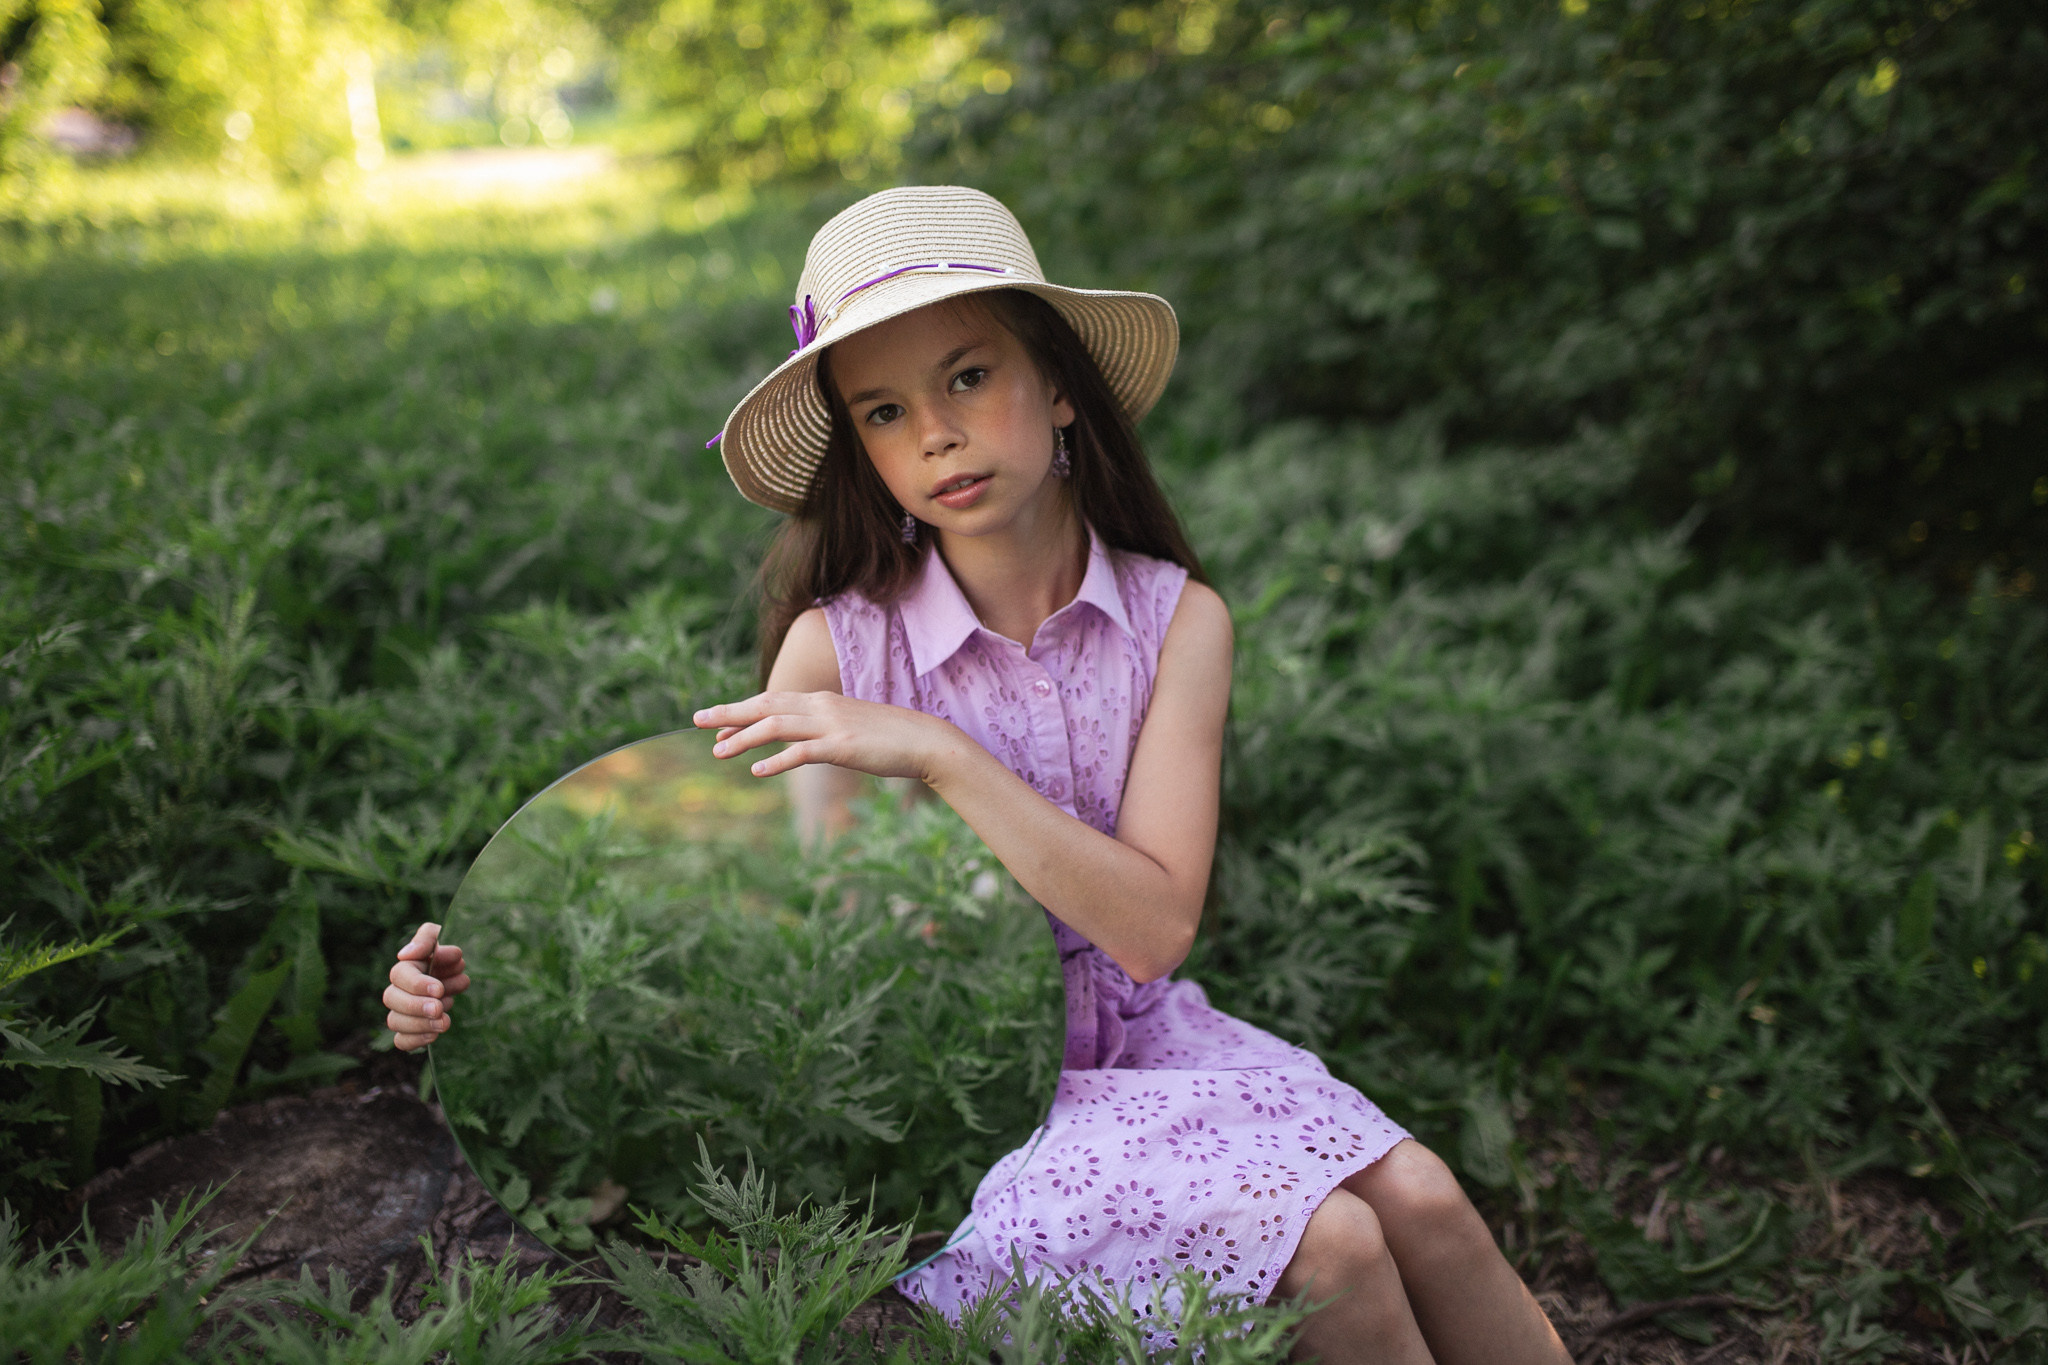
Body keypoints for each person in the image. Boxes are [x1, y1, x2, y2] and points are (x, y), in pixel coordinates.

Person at [383, 186, 1571, 1365]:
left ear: (1056, 386)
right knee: (1338, 1249)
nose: (936, 435)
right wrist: (497, 988)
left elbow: (1153, 931)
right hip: (971, 1110)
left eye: (966, 377)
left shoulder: (1177, 623)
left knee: (1419, 1195)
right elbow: (794, 956)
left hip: (1150, 1044)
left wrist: (945, 758)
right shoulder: (838, 653)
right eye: (885, 412)